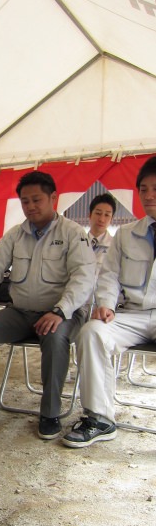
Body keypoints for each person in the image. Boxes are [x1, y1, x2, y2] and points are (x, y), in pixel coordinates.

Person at [0, 170, 96, 440]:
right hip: (21, 312)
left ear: (53, 198)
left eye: (36, 200)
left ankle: (50, 413)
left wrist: (60, 311)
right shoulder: (15, 235)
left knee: (55, 339)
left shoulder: (73, 233)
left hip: (62, 314)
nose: (30, 207)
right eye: (25, 201)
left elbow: (83, 278)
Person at [62, 156, 156, 448]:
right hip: (133, 316)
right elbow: (110, 276)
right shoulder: (127, 234)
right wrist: (106, 305)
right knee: (91, 332)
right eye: (143, 189)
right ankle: (100, 418)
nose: (149, 195)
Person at [88, 192, 116, 277]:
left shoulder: (116, 246)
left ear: (111, 219)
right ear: (89, 215)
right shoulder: (76, 242)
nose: (102, 219)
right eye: (98, 213)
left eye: (107, 215)